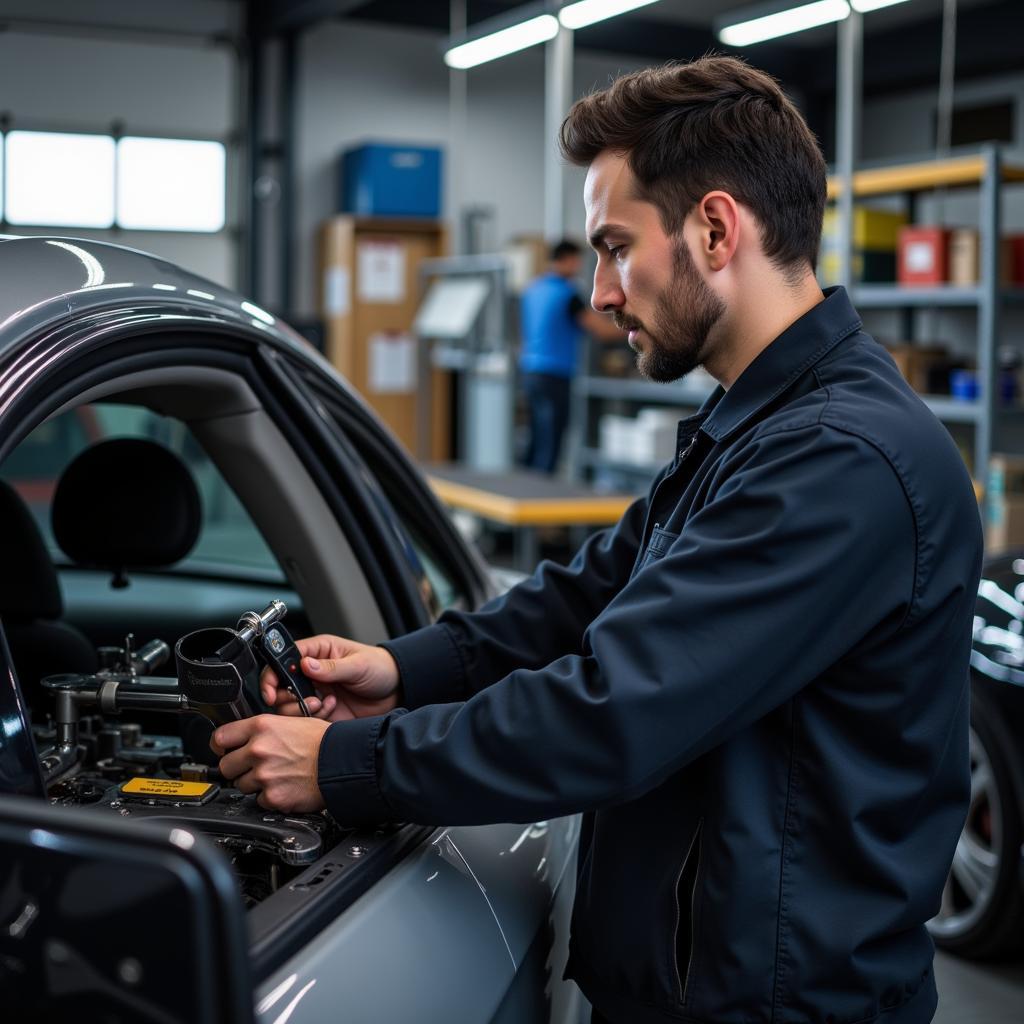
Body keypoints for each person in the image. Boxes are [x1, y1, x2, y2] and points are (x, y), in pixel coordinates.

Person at [211, 55, 983, 1024]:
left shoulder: (841, 462)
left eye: (615, 248)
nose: (601, 295)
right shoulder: (755, 428)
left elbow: (611, 710)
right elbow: (586, 594)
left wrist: (343, 765)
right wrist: (402, 669)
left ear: (713, 228)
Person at [519, 238, 624, 473]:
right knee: (551, 443)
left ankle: (525, 490)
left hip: (530, 371)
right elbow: (602, 331)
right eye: (578, 260)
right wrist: (637, 327)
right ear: (567, 259)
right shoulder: (567, 294)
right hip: (555, 374)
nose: (579, 266)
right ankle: (539, 500)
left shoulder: (533, 289)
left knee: (536, 438)